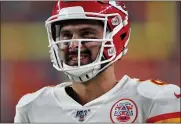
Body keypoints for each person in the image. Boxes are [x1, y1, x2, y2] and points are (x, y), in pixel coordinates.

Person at [14, 1, 180, 123]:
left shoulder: (154, 100)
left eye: (87, 34)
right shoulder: (32, 107)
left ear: (118, 37)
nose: (73, 44)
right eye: (66, 35)